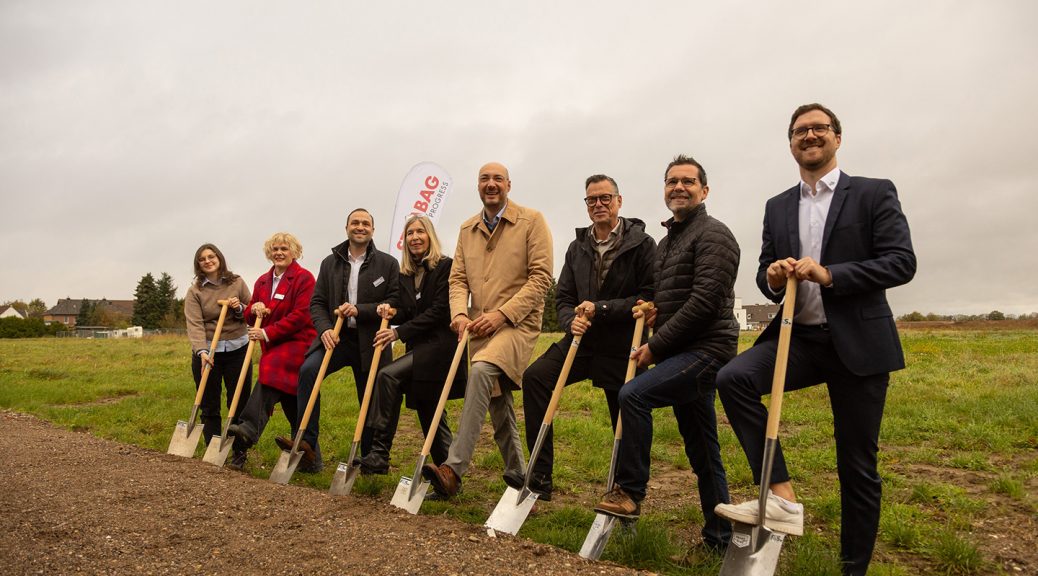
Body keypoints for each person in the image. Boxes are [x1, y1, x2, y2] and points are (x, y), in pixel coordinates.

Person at [714, 103, 916, 576]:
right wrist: (772, 273)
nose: (810, 136)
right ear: (790, 143)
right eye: (800, 131)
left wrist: (830, 274)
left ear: (837, 138)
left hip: (858, 344)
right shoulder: (777, 205)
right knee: (733, 378)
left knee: (856, 463)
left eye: (819, 128)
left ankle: (854, 568)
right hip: (797, 339)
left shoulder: (872, 193)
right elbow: (767, 276)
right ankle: (782, 498)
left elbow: (901, 262)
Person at [593, 155, 738, 552]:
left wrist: (655, 347)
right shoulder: (670, 240)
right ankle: (721, 538)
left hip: (707, 349)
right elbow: (670, 296)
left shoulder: (714, 234)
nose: (679, 187)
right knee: (703, 449)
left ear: (704, 191)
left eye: (688, 181)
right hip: (684, 352)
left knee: (633, 395)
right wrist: (653, 309)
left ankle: (631, 491)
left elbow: (705, 301)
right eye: (672, 181)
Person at [506, 174, 656, 501]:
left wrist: (600, 308)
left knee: (626, 411)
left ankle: (627, 490)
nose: (598, 204)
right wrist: (569, 322)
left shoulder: (642, 244)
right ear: (586, 205)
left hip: (622, 346)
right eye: (592, 200)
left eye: (605, 198)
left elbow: (647, 296)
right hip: (583, 342)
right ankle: (540, 477)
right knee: (536, 378)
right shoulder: (578, 248)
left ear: (619, 201)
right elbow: (562, 299)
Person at [421, 161, 553, 498]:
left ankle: (453, 468)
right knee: (497, 400)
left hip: (517, 324)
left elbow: (541, 278)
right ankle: (519, 478)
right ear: (478, 186)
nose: (490, 184)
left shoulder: (532, 221)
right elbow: (458, 280)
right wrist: (459, 314)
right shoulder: (467, 229)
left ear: (509, 184)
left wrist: (503, 315)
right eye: (484, 179)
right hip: (478, 328)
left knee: (480, 372)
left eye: (497, 178)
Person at [275, 208, 399, 473]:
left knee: (368, 395)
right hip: (337, 337)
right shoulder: (330, 263)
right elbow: (317, 302)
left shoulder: (387, 264)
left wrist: (361, 309)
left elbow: (395, 300)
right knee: (308, 371)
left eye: (366, 223)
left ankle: (367, 459)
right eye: (355, 222)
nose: (360, 227)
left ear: (373, 230)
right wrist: (324, 330)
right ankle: (307, 444)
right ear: (346, 228)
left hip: (372, 341)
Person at [358, 215, 467, 475]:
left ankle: (380, 454)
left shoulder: (446, 267)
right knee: (430, 412)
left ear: (430, 235)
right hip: (419, 350)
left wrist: (398, 334)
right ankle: (448, 474)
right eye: (410, 233)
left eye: (420, 232)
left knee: (387, 375)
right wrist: (392, 312)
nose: (415, 237)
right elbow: (410, 311)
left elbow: (440, 311)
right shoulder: (405, 274)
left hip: (441, 347)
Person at [225, 233, 316, 471]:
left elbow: (301, 315)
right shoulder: (262, 282)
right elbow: (249, 315)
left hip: (298, 341)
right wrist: (253, 308)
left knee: (271, 367)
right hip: (274, 346)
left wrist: (267, 333)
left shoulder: (304, 278)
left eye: (284, 248)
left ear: (294, 252)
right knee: (290, 397)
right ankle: (311, 457)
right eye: (275, 249)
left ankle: (248, 428)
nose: (279, 252)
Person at [184, 243, 253, 462]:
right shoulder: (195, 291)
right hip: (208, 353)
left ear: (219, 258)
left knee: (238, 401)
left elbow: (251, 312)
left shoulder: (237, 282)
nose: (207, 261)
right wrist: (202, 352)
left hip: (238, 349)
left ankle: (239, 452)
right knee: (209, 403)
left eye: (211, 256)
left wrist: (239, 308)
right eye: (202, 259)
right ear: (198, 264)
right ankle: (213, 450)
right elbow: (194, 324)